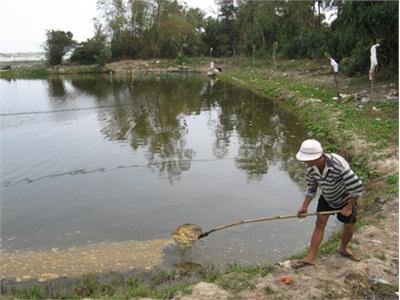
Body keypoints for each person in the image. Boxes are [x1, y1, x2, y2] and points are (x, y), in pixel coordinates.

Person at [291, 139, 363, 269]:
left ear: (320, 156)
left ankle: (343, 248)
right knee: (319, 224)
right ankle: (311, 257)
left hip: (346, 199)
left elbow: (357, 188)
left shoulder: (338, 164)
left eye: (308, 159)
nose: (305, 162)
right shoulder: (310, 167)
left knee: (348, 226)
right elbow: (312, 188)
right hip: (327, 197)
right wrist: (304, 206)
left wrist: (348, 207)